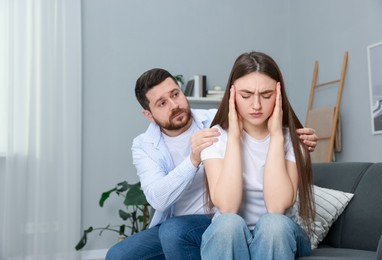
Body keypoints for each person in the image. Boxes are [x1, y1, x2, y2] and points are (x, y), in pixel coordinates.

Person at [105, 68, 318, 260]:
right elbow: (158, 200)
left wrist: (299, 138)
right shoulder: (144, 145)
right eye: (162, 103)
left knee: (185, 231)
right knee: (118, 255)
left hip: (218, 215)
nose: (174, 105)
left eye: (175, 94)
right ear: (148, 115)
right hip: (192, 221)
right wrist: (192, 160)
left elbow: (258, 116)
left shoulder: (217, 121)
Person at [200, 51, 315, 259]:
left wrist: (277, 136)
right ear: (232, 94)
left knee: (273, 224)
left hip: (282, 236)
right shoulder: (215, 138)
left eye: (266, 95)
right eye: (246, 96)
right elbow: (227, 206)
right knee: (228, 224)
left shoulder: (295, 139)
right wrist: (234, 138)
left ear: (279, 95)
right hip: (230, 234)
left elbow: (277, 207)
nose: (256, 105)